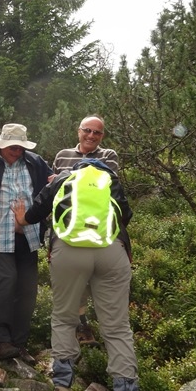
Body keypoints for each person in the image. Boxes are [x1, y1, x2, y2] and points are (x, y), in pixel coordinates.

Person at [13, 159, 139, 391]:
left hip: (69, 250)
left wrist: (22, 218)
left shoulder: (63, 178)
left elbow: (36, 212)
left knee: (63, 317)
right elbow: (125, 217)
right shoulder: (111, 180)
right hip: (111, 251)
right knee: (117, 328)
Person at [0, 123, 51, 364]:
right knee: (7, 280)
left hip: (28, 233)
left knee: (27, 288)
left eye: (20, 147)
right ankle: (0, 340)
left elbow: (53, 183)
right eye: (12, 147)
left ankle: (19, 343)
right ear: (1, 145)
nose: (16, 151)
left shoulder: (34, 162)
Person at [52, 114, 119, 347]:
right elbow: (54, 193)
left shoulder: (108, 156)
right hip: (67, 230)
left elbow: (109, 185)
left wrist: (64, 178)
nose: (91, 136)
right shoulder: (62, 155)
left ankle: (108, 328)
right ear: (78, 131)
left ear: (102, 136)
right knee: (73, 281)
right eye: (87, 130)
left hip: (99, 229)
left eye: (97, 132)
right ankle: (79, 324)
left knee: (98, 280)